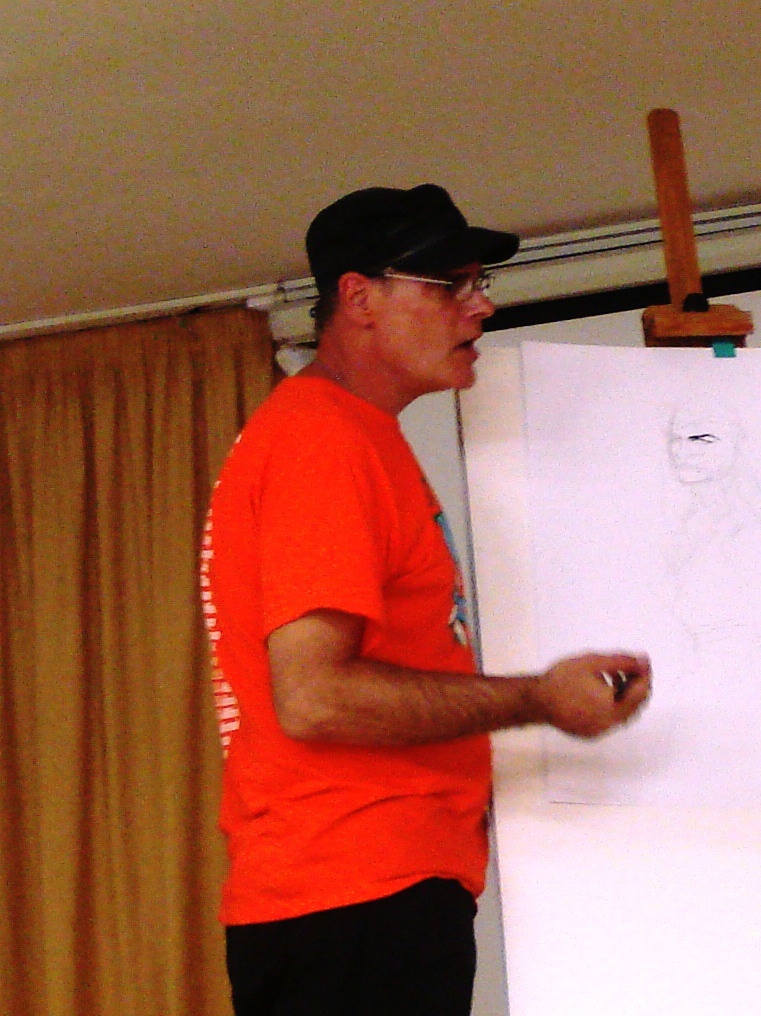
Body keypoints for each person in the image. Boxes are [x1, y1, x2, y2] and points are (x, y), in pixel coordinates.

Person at [200, 183, 651, 1016]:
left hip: (365, 896)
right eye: (450, 285)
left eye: (480, 283)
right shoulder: (321, 440)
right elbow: (316, 697)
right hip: (353, 892)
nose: (480, 307)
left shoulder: (351, 437)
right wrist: (538, 699)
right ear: (358, 297)